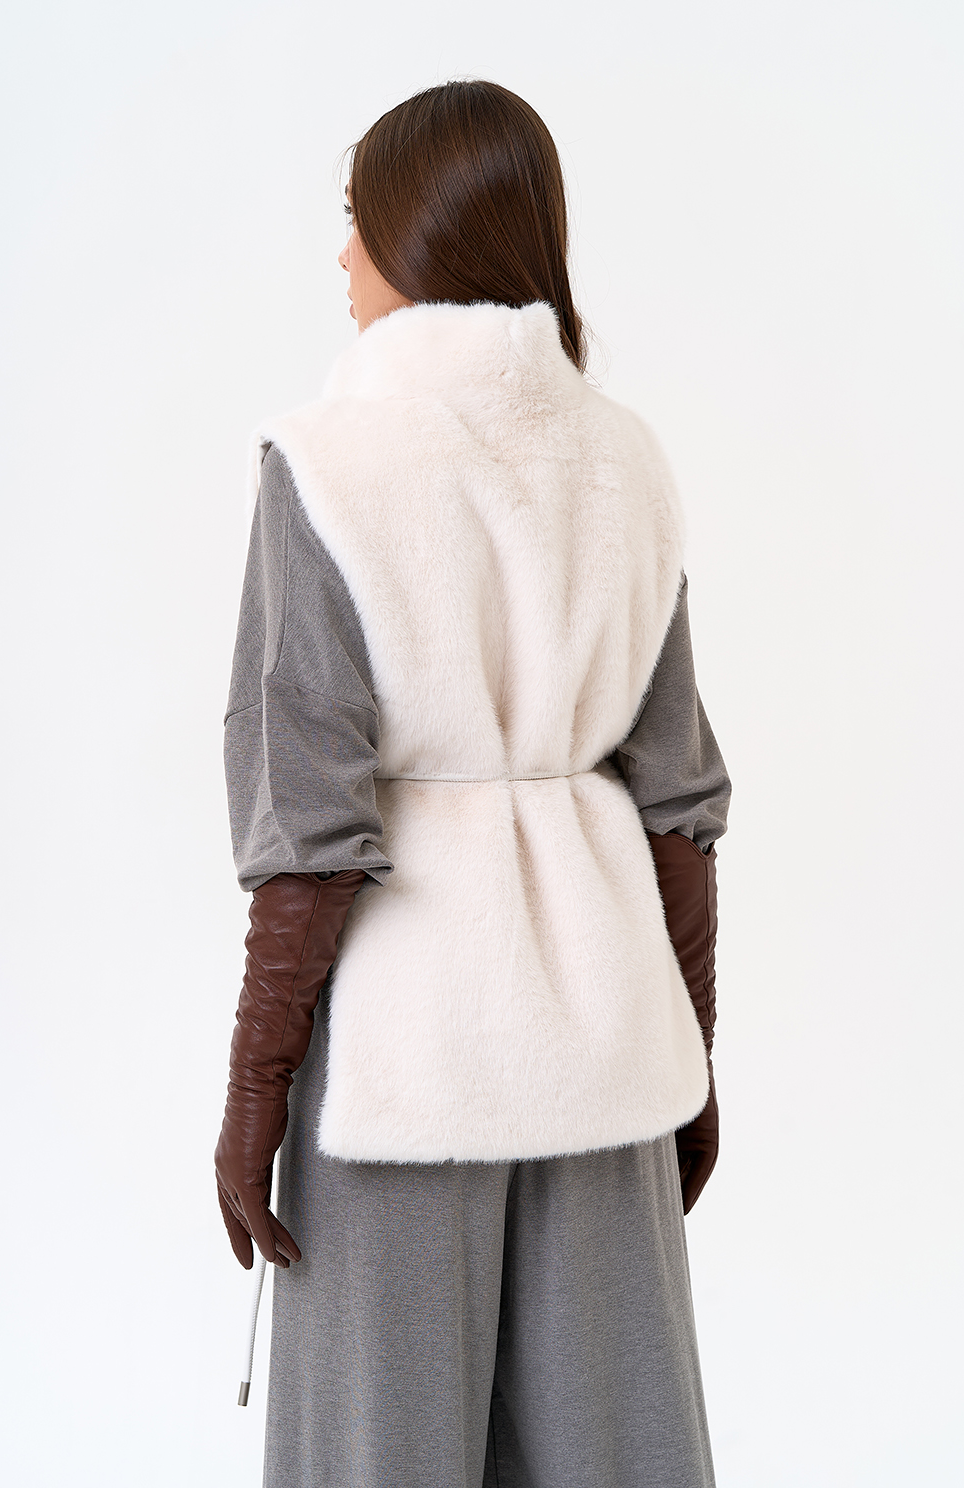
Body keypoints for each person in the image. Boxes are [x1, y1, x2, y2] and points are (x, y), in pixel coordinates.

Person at [215, 79, 731, 1488]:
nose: (341, 255)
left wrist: (255, 1091)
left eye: (356, 221)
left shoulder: (328, 464)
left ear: (420, 230)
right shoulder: (627, 461)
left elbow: (308, 825)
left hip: (400, 1071)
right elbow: (678, 802)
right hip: (608, 1045)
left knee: (377, 1461)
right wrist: (696, 1052)